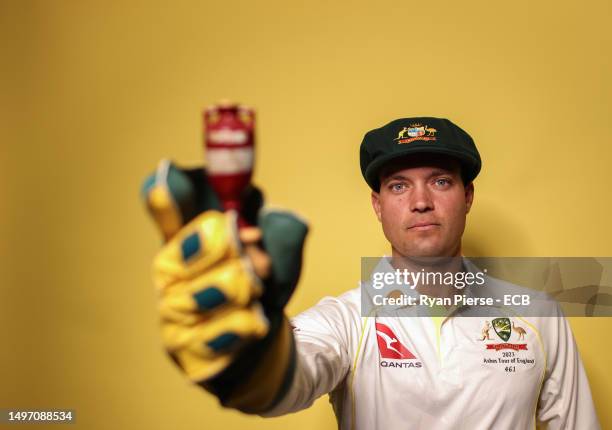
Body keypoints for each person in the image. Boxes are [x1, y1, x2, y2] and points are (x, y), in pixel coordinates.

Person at [142, 117, 600, 429]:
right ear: (378, 206)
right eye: (399, 185)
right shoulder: (345, 319)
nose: (421, 201)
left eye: (440, 180)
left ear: (468, 196)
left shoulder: (538, 315)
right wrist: (253, 357)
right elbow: (294, 373)